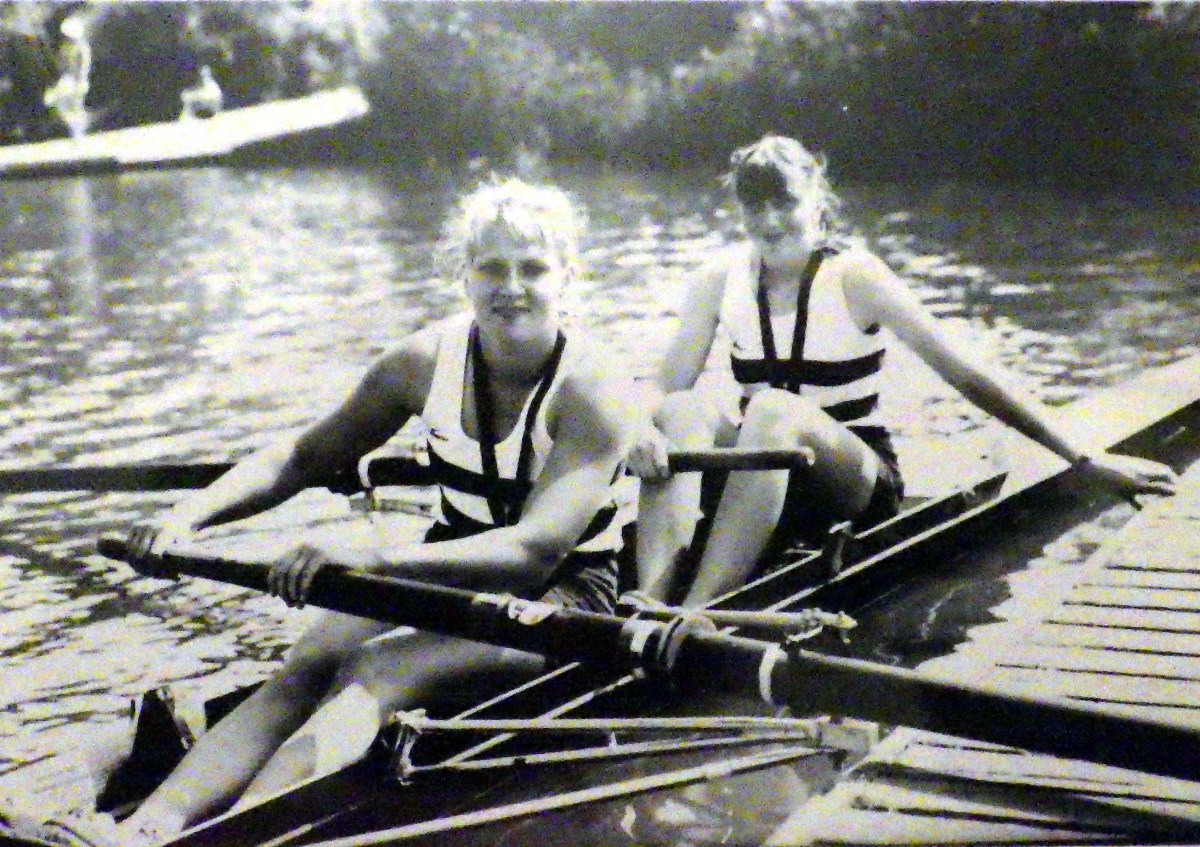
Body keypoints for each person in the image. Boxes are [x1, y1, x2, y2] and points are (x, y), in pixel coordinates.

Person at [34, 176, 636, 846]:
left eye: (533, 269)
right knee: (310, 658)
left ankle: (235, 834)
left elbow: (536, 549)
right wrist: (187, 518)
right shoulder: (421, 362)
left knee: (376, 667)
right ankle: (151, 826)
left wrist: (371, 556)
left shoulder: (594, 387)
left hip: (564, 600)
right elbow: (300, 456)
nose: (511, 287)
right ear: (464, 277)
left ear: (569, 278)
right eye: (491, 267)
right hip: (449, 566)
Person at [626, 134, 1178, 609]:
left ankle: (698, 612)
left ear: (817, 203)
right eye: (754, 206)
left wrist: (1083, 459)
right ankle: (648, 604)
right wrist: (642, 430)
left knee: (771, 409)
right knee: (677, 410)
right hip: (762, 470)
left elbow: (966, 373)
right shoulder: (719, 278)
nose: (769, 222)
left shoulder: (856, 276)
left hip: (852, 479)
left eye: (784, 202)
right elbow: (664, 386)